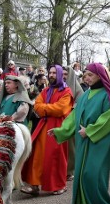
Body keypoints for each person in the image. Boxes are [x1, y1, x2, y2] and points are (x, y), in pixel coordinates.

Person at [51, 63, 110, 204]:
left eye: (90, 75)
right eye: (85, 75)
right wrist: (62, 130)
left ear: (100, 76)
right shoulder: (85, 95)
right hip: (82, 141)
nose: (87, 78)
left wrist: (90, 131)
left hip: (99, 142)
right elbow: (74, 117)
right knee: (81, 175)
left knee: (93, 175)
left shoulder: (107, 95)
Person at [21, 65, 73, 195]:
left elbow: (61, 109)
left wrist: (45, 109)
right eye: (50, 73)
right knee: (36, 155)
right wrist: (49, 109)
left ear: (60, 74)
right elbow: (36, 106)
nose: (51, 75)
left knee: (56, 157)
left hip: (58, 127)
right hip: (43, 126)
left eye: (54, 73)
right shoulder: (46, 91)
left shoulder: (67, 91)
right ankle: (34, 184)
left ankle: (59, 185)